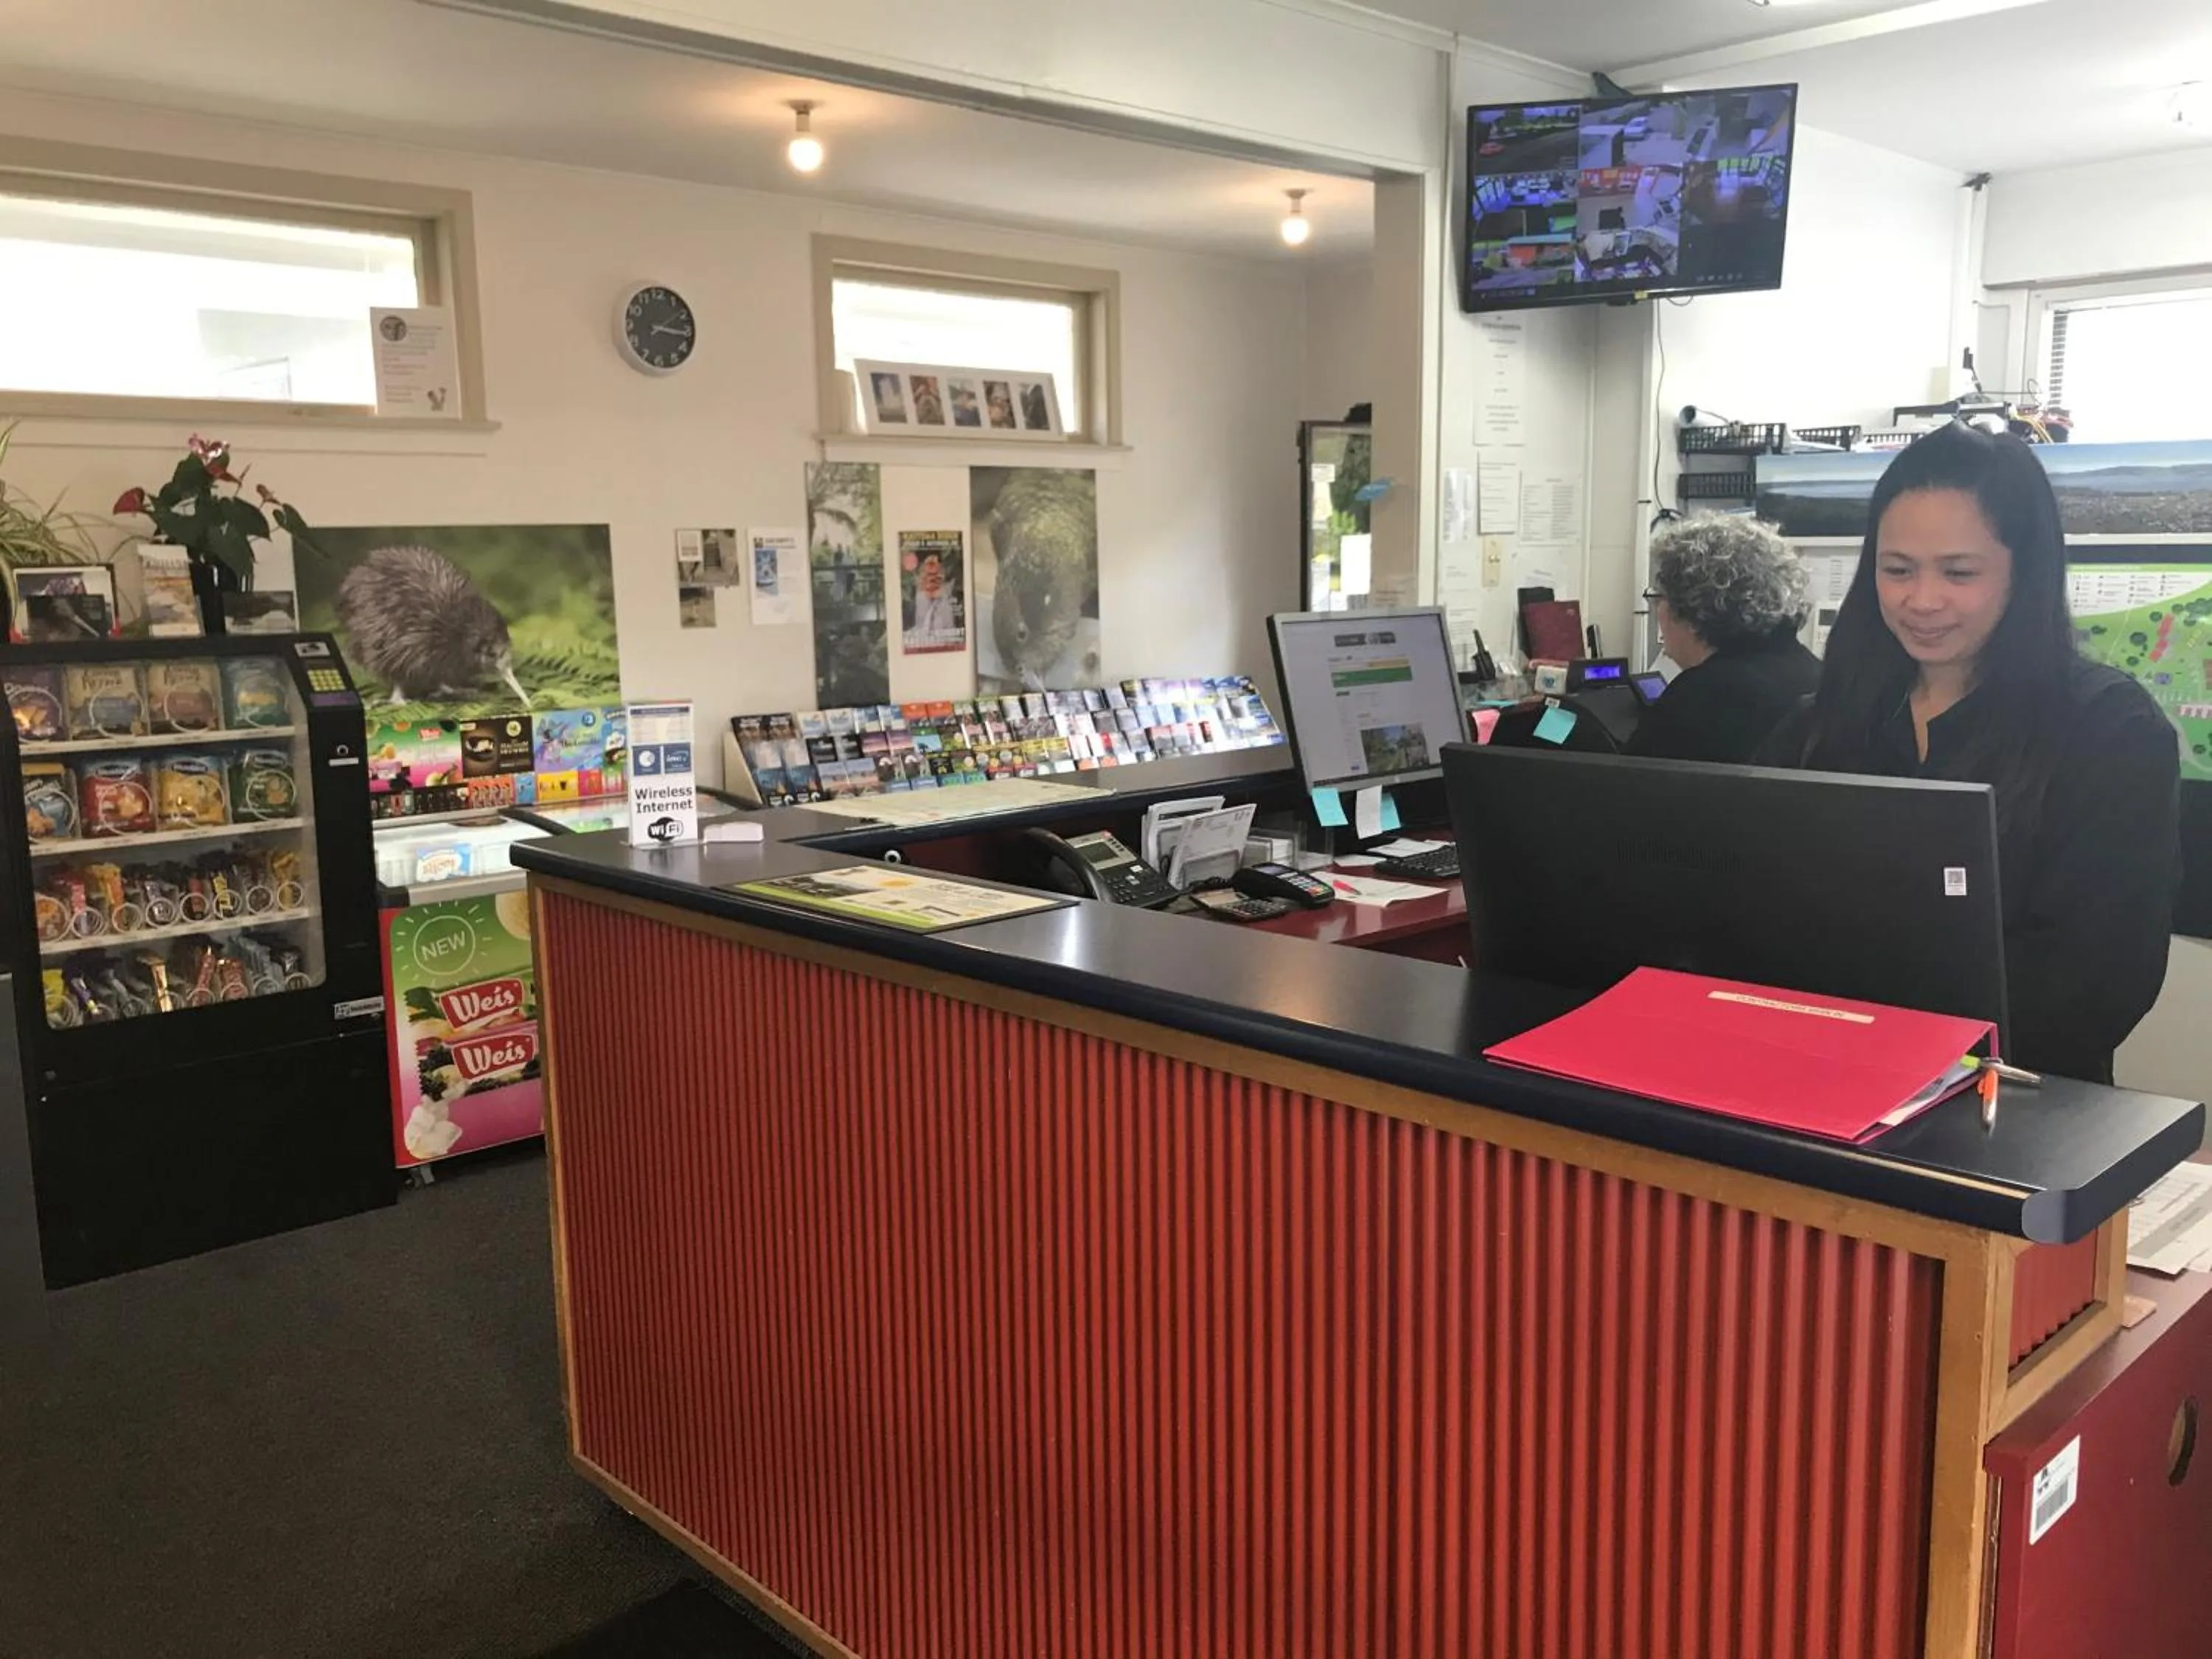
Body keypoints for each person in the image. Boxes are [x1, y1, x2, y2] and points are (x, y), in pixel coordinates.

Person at [1766, 421, 2180, 1082]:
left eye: (1959, 573)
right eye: (1897, 570)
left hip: (2017, 1105)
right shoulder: (1822, 723)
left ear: (2024, 573)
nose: (1922, 601)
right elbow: (1757, 907)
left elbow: (2099, 984)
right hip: (1827, 1082)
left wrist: (1880, 1005)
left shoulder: (2107, 729)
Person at [1627, 515, 1821, 763]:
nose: (1657, 611)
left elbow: (1622, 781)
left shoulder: (1705, 695)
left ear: (1690, 608)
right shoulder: (1817, 673)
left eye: (1658, 597)